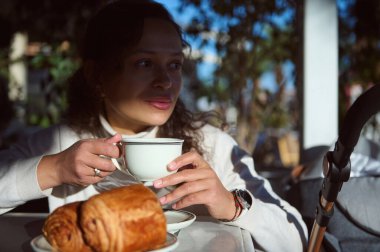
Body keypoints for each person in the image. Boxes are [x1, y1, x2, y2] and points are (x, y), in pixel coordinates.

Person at [0, 0, 308, 251]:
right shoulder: (63, 144)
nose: (166, 81)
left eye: (174, 64)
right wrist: (51, 170)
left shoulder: (212, 147)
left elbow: (299, 241)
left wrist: (231, 206)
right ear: (97, 75)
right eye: (144, 63)